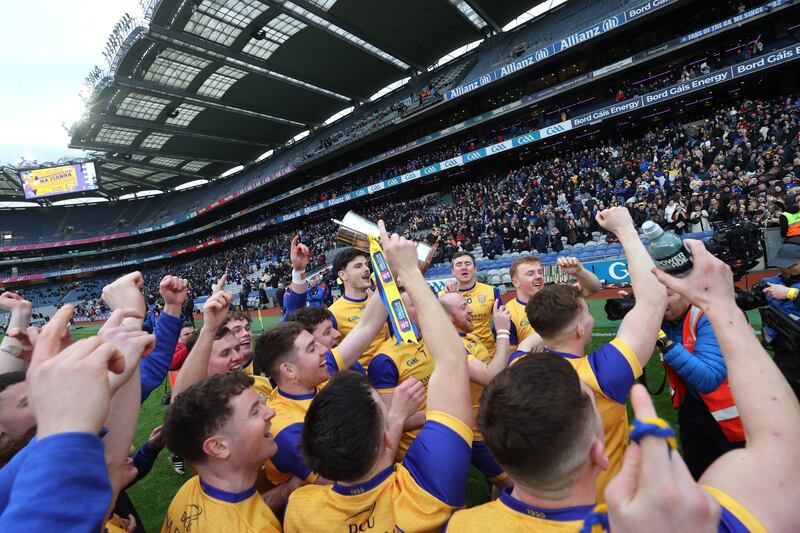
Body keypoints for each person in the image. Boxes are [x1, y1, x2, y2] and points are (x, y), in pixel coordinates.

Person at [284, 220, 474, 532]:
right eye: (315, 345)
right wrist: (409, 270)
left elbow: (368, 325)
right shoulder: (427, 492)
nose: (326, 344)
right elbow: (453, 362)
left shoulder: (300, 508)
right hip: (381, 386)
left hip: (358, 401)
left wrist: (392, 269)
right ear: (386, 436)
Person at [514, 207, 666, 501]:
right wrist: (626, 230)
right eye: (586, 314)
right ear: (581, 330)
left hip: (549, 503)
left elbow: (526, 344)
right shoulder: (603, 373)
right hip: (604, 501)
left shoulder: (518, 364)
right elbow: (653, 299)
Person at [254, 291, 387, 487]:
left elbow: (366, 327)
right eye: (311, 348)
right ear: (289, 370)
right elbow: (350, 481)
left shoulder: (317, 373)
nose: (324, 350)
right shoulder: (287, 428)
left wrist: (390, 270)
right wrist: (392, 414)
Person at [162, 372, 281, 532]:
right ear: (218, 446)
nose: (270, 412)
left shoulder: (189, 490)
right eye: (254, 412)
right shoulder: (256, 529)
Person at [657, 278, 745, 480]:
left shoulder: (708, 315)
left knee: (736, 480)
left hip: (732, 411)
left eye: (668, 294)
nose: (662, 302)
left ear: (688, 292)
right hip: (693, 406)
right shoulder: (666, 319)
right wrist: (639, 315)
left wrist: (665, 342)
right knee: (699, 475)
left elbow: (709, 378)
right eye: (657, 297)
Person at [439, 292, 515, 491]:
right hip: (474, 434)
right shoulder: (453, 346)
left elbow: (498, 364)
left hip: (490, 424)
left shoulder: (471, 337)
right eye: (464, 307)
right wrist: (503, 333)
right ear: (448, 318)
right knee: (515, 487)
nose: (471, 310)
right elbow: (491, 376)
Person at [737, 242, 800, 398]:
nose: (786, 269)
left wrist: (790, 294)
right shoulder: (773, 282)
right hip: (785, 352)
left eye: (792, 265)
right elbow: (749, 301)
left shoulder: (786, 288)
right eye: (783, 265)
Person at [505, 256, 600, 349]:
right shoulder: (508, 313)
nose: (538, 276)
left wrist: (579, 272)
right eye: (530, 274)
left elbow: (593, 288)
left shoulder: (556, 295)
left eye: (540, 272)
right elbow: (509, 356)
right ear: (516, 282)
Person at [326, 246, 388, 367]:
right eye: (358, 266)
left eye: (366, 264)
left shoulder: (378, 301)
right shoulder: (333, 314)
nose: (366, 269)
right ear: (343, 275)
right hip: (364, 382)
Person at [441, 251, 500, 353]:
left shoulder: (491, 291)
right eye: (459, 264)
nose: (464, 267)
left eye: (468, 264)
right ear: (453, 271)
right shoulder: (441, 297)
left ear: (475, 269)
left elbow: (501, 322)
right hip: (459, 354)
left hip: (489, 353)